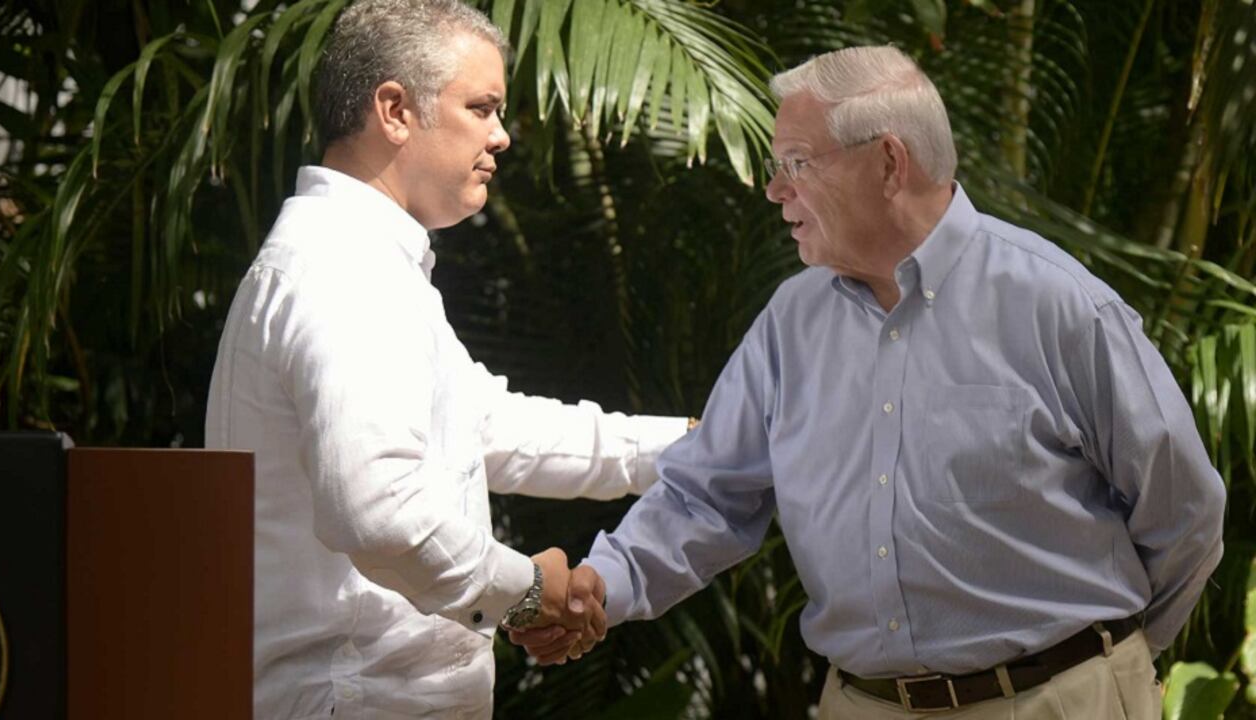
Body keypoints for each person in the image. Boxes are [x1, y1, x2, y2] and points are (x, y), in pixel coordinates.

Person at [512, 45, 1226, 719]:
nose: (774, 189)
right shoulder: (791, 322)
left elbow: (1185, 512)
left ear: (888, 163)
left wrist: (1113, 662)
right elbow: (707, 494)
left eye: (796, 161)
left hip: (1060, 701)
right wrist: (600, 587)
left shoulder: (1057, 305)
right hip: (862, 704)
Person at [204, 1, 684, 717]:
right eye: (482, 107)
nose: (502, 136)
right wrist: (527, 590)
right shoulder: (345, 272)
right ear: (394, 110)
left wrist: (696, 446)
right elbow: (379, 513)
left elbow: (489, 426)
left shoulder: (362, 260)